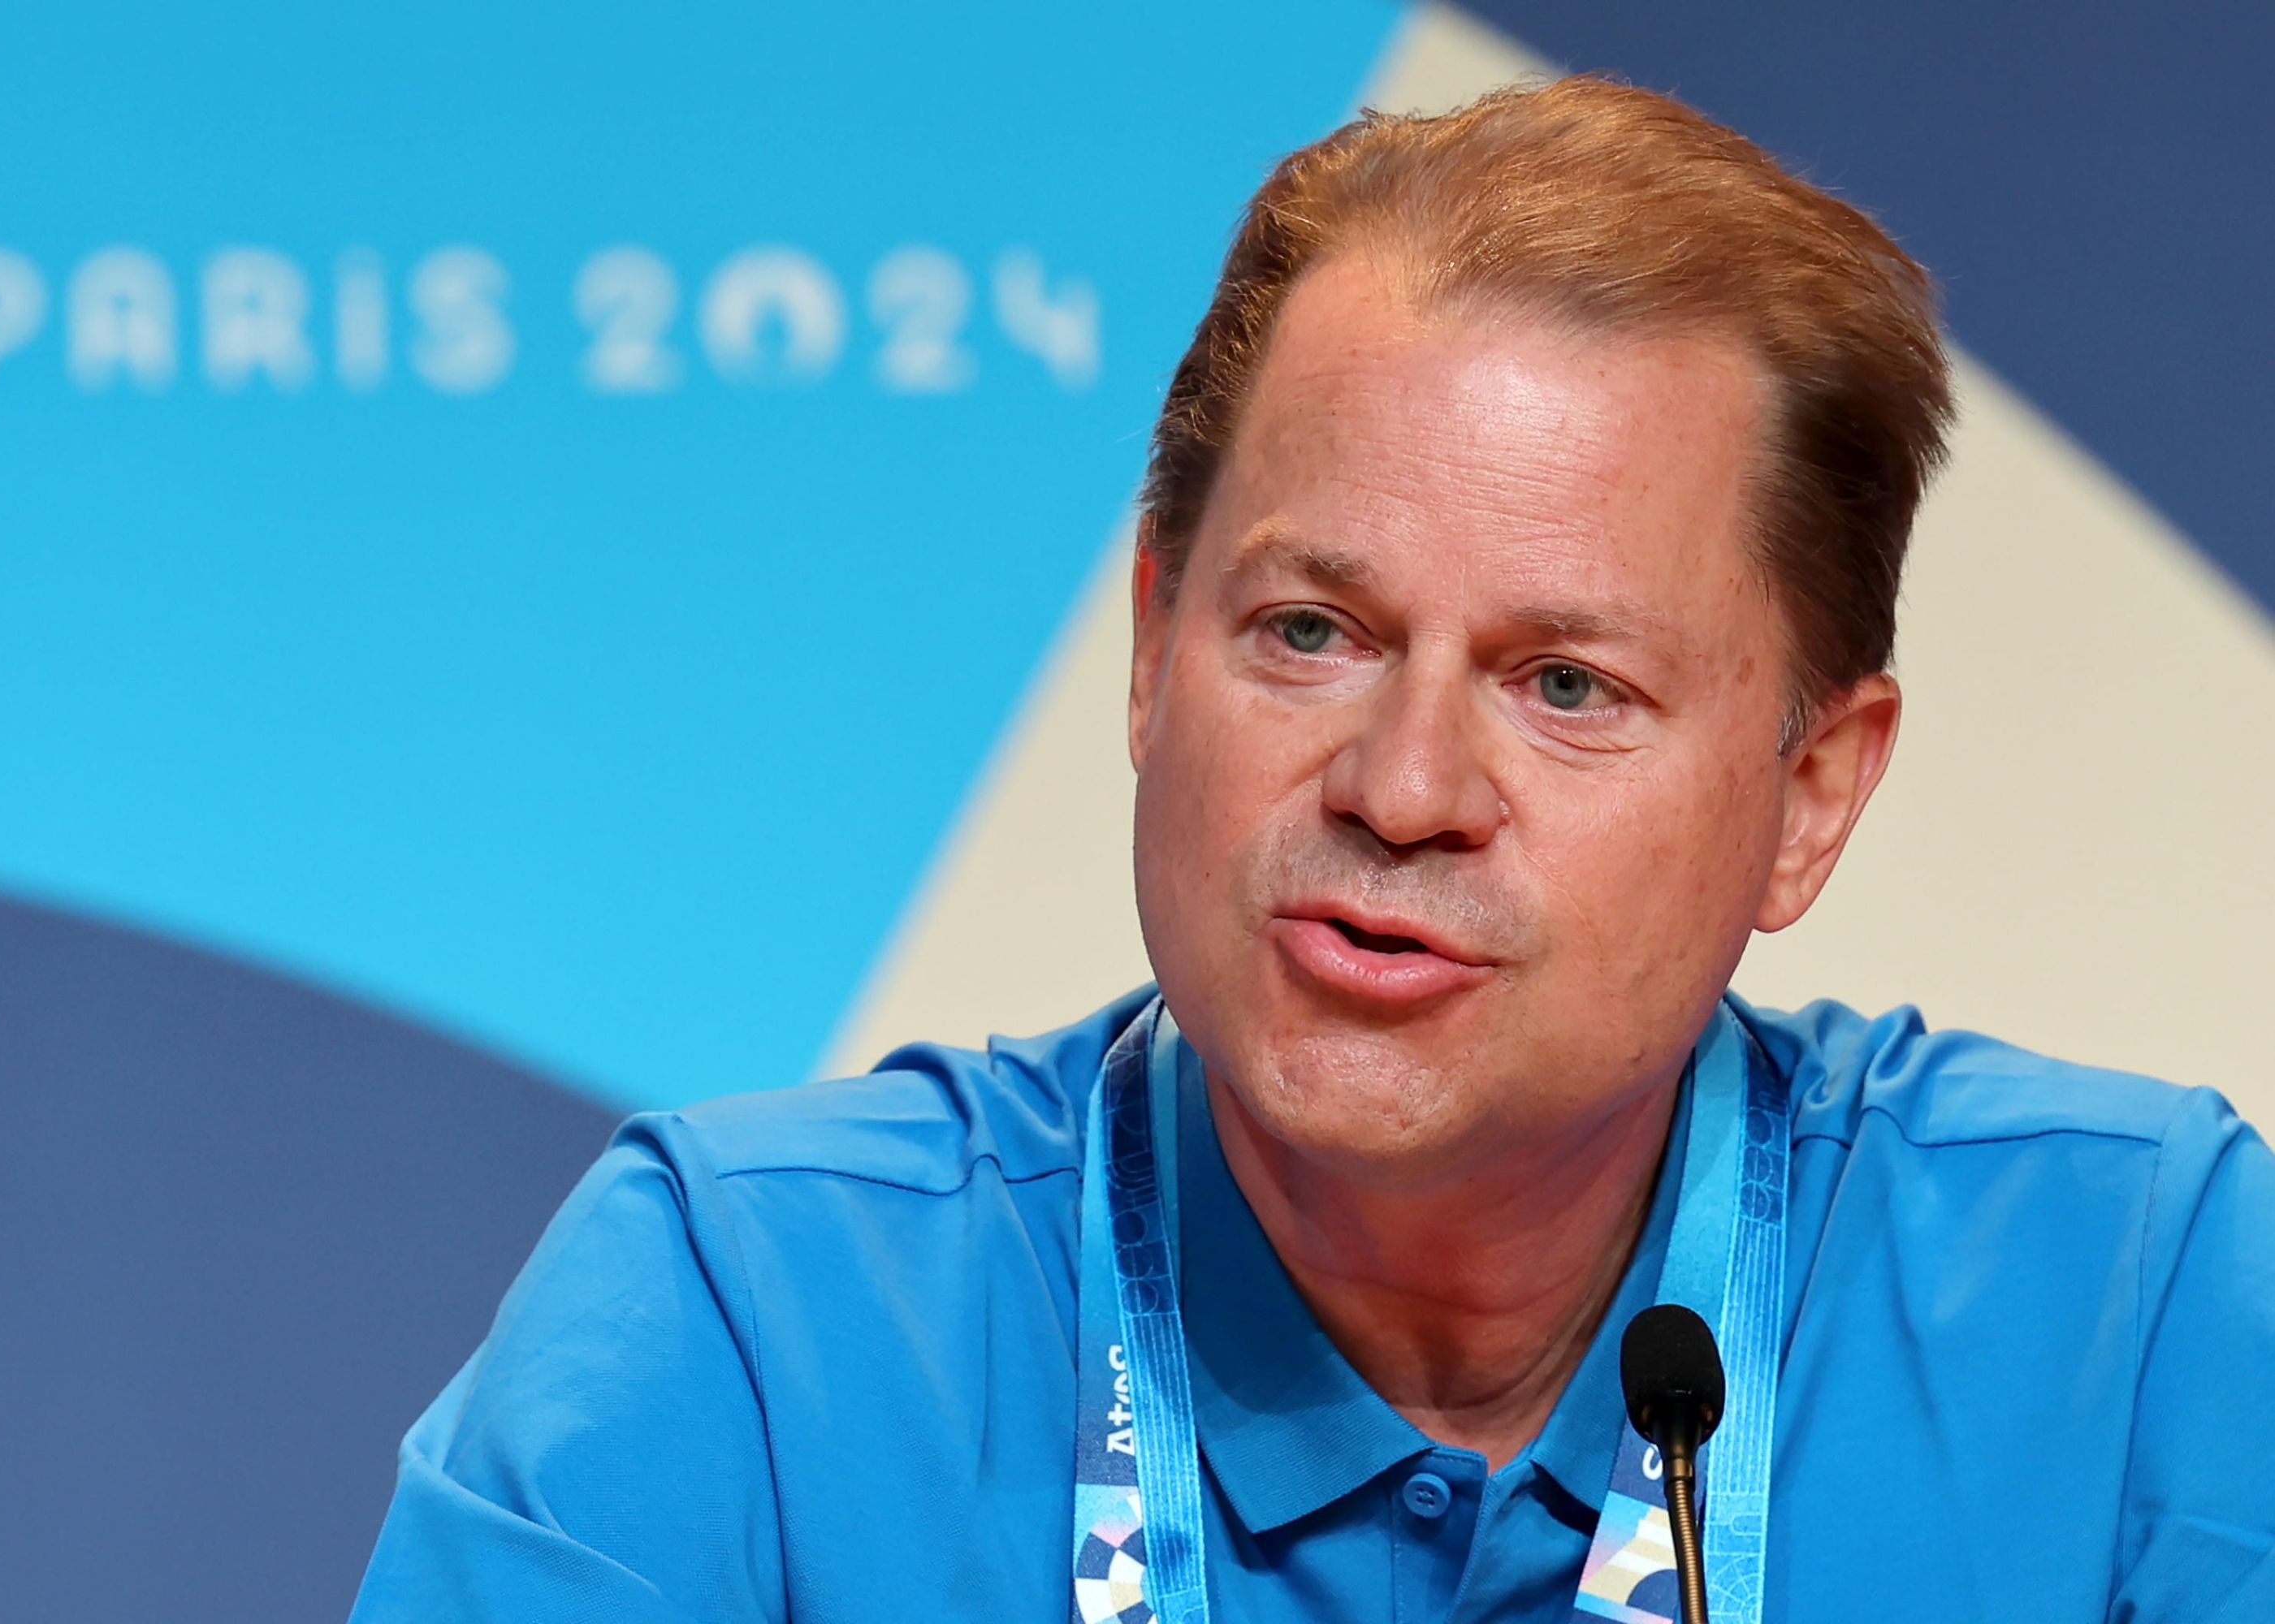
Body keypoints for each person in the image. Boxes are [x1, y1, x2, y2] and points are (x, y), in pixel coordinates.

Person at [348, 78, 2275, 1623]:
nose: (1403, 782)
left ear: (1808, 794)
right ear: (1146, 648)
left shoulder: (2129, 1302)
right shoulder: (754, 1327)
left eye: (1564, 682)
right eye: (1309, 634)